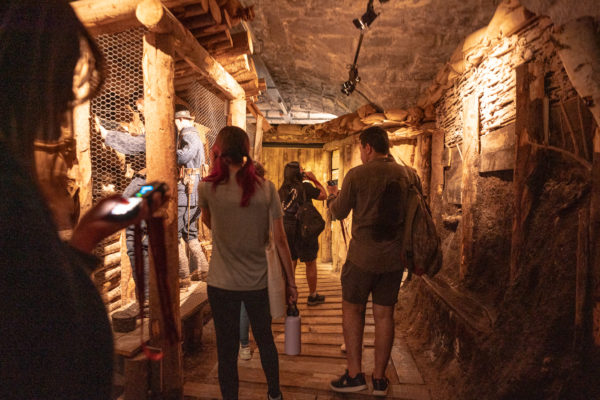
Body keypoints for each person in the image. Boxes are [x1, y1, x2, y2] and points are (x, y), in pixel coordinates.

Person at [0, 1, 167, 399]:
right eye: (56, 104)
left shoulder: (14, 196)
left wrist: (88, 232)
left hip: (134, 179)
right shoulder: (11, 199)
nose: (58, 117)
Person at [199, 126, 298, 400]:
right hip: (257, 283)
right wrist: (291, 283)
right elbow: (280, 241)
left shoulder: (206, 187)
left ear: (218, 150)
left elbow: (209, 223)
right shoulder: (266, 189)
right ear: (246, 150)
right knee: (265, 340)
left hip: (220, 284)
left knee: (226, 350)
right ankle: (274, 394)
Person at [327, 126, 414, 396]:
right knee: (385, 315)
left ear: (367, 147)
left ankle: (355, 375)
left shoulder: (357, 175)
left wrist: (331, 199)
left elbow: (339, 211)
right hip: (393, 259)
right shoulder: (408, 174)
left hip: (361, 257)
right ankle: (379, 379)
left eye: (361, 149)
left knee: (353, 311)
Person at [96, 98, 150, 303]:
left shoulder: (160, 124)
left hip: (147, 185)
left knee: (135, 241)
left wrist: (107, 134)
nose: (138, 108)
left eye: (141, 103)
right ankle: (147, 297)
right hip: (147, 185)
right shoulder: (152, 124)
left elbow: (141, 144)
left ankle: (145, 298)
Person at [278, 161, 327, 306]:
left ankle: (289, 296)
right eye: (302, 170)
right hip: (304, 228)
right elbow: (323, 195)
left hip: (287, 228)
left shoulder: (281, 190)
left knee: (290, 262)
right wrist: (313, 179)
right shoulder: (305, 187)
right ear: (300, 174)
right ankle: (312, 296)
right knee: (310, 262)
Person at [174, 109, 208, 288]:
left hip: (186, 190)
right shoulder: (195, 135)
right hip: (194, 190)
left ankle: (182, 275)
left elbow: (186, 156)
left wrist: (171, 151)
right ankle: (203, 269)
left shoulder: (187, 134)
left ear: (180, 120)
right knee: (190, 232)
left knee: (175, 232)